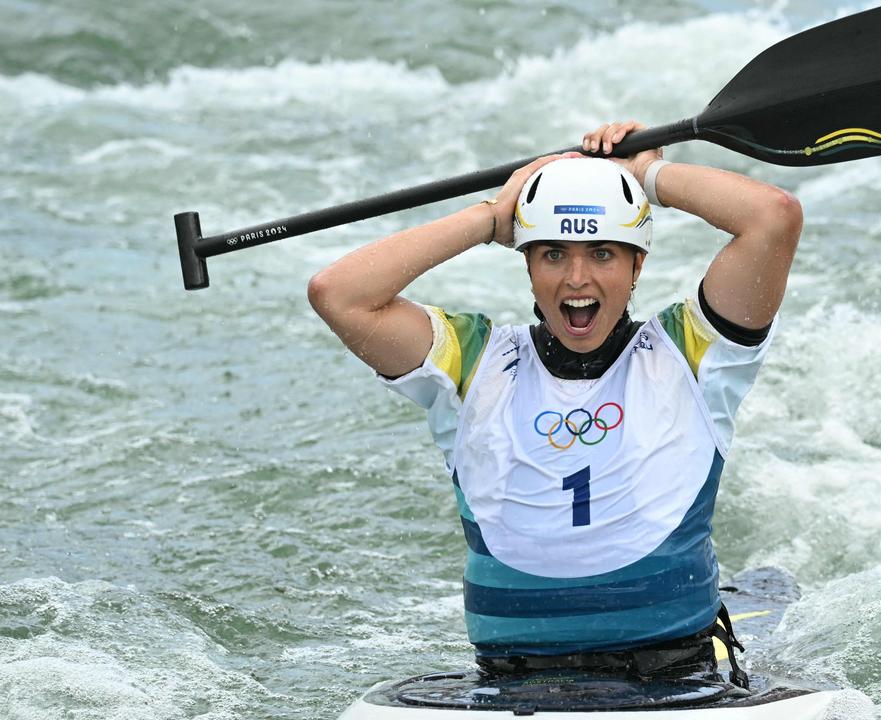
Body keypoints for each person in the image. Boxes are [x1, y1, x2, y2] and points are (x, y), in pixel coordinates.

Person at [307, 121, 803, 686]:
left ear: (637, 266)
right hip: (507, 681)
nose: (576, 279)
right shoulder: (470, 363)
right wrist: (491, 217)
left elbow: (772, 218)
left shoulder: (691, 356)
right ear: (526, 264)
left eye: (602, 254)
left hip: (675, 676)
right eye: (551, 254)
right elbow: (338, 295)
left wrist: (645, 174)